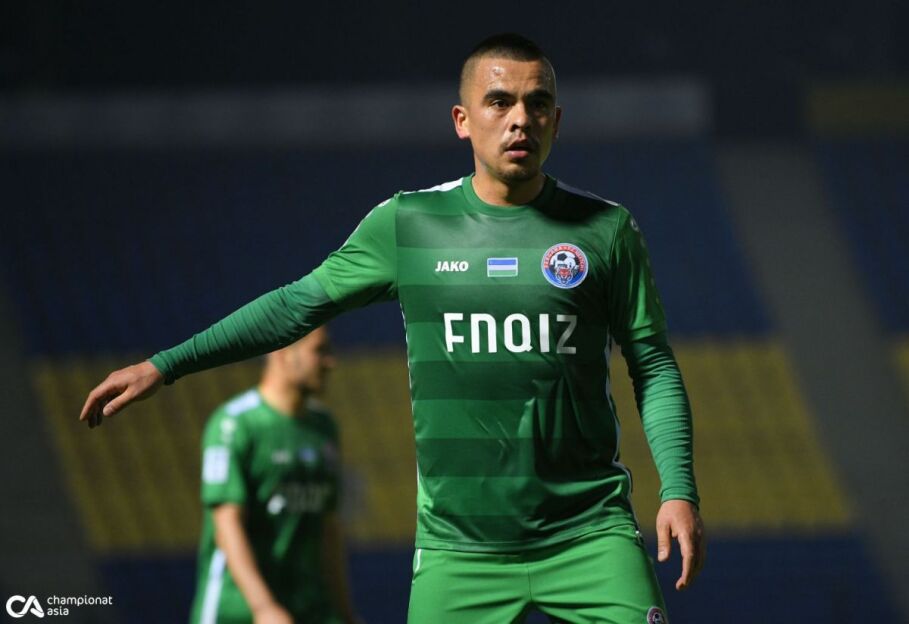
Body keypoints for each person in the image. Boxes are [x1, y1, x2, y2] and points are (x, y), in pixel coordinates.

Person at [81, 33, 705, 624]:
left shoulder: (607, 230)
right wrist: (166, 364)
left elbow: (652, 363)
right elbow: (295, 306)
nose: (520, 119)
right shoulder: (409, 224)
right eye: (499, 102)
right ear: (463, 120)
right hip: (459, 551)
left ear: (556, 121)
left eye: (537, 104)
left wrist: (678, 490)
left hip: (590, 534)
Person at [188, 328, 360, 624]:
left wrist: (345, 613)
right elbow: (226, 522)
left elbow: (329, 528)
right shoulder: (234, 424)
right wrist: (263, 607)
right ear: (282, 352)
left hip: (307, 607)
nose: (331, 362)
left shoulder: (324, 426)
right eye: (319, 351)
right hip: (239, 609)